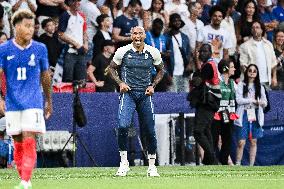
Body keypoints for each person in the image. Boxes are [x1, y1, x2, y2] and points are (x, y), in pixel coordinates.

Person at [0, 9, 52, 189]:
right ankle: (24, 179)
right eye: (27, 26)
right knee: (18, 142)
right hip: (12, 103)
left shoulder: (40, 48)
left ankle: (25, 181)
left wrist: (48, 100)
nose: (31, 30)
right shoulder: (4, 49)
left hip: (33, 102)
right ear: (16, 26)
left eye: (32, 26)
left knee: (29, 137)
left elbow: (46, 76)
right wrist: (0, 98)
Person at [108, 26, 164, 177]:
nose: (137, 36)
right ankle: (124, 163)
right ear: (131, 35)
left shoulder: (153, 52)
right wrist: (120, 83)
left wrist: (153, 85)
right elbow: (111, 69)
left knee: (150, 130)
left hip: (145, 95)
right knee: (122, 126)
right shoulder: (122, 51)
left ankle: (152, 166)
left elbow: (161, 70)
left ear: (145, 35)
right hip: (129, 94)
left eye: (140, 33)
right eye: (134, 33)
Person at [189, 43, 221, 165]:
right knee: (206, 131)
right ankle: (209, 161)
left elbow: (197, 81)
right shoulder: (209, 65)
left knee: (198, 131)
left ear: (210, 53)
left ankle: (212, 158)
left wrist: (194, 77)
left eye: (205, 51)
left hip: (208, 102)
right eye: (201, 51)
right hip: (210, 102)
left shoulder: (208, 66)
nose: (202, 53)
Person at [235, 64, 267, 166]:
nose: (252, 73)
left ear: (257, 74)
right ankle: (238, 164)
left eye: (254, 71)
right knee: (241, 142)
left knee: (253, 141)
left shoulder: (260, 87)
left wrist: (261, 103)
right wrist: (251, 100)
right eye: (250, 70)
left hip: (256, 113)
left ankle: (251, 166)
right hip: (244, 113)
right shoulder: (241, 84)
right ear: (247, 72)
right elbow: (238, 100)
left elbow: (265, 102)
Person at [211, 59, 237, 165]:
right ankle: (211, 161)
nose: (234, 69)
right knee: (214, 139)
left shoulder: (232, 83)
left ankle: (224, 161)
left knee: (227, 139)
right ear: (225, 68)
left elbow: (236, 98)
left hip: (228, 114)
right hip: (217, 114)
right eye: (231, 67)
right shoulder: (217, 82)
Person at [239, 21, 277, 88]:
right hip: (251, 82)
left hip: (267, 81)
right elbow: (243, 64)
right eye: (253, 28)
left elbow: (273, 62)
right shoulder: (244, 46)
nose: (255, 29)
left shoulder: (269, 44)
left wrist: (274, 77)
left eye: (257, 27)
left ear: (262, 30)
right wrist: (250, 79)